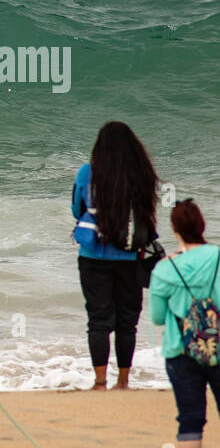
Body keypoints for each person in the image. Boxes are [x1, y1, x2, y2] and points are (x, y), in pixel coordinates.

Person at [72, 121, 159, 390]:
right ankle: (123, 381)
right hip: (132, 258)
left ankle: (99, 381)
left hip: (93, 257)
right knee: (127, 322)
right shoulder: (143, 174)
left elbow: (77, 210)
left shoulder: (88, 172)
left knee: (98, 319)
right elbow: (147, 215)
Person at [149, 199, 220, 448]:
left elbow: (156, 317)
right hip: (218, 347)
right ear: (202, 225)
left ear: (174, 229)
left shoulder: (165, 269)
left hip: (181, 352)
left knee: (190, 420)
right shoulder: (217, 256)